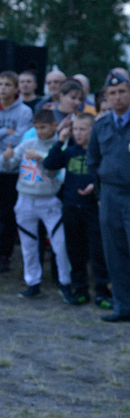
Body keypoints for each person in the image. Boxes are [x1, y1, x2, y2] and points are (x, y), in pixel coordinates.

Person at [0, 109, 72, 300]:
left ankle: (65, 283)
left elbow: (53, 173)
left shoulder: (59, 146)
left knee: (60, 244)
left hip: (49, 200)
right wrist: (5, 157)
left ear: (54, 126)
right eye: (37, 127)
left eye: (44, 127)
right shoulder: (28, 143)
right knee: (28, 245)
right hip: (24, 200)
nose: (40, 131)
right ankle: (32, 283)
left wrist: (39, 159)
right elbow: (7, 166)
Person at [43, 113, 112, 307]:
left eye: (83, 129)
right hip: (71, 207)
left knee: (97, 251)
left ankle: (102, 292)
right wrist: (60, 140)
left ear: (92, 131)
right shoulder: (70, 151)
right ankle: (80, 289)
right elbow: (49, 163)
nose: (78, 133)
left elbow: (106, 175)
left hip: (92, 208)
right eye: (75, 129)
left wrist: (94, 186)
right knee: (75, 250)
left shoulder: (98, 152)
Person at [87, 69, 130, 322]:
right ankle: (123, 307)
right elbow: (92, 161)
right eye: (112, 93)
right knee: (115, 253)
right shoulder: (101, 125)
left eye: (122, 91)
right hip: (110, 196)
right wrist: (100, 194)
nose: (117, 97)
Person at [0, 70, 34, 272]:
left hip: (12, 171)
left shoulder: (25, 112)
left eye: (8, 84)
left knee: (9, 214)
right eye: (0, 84)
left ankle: (5, 255)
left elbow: (20, 138)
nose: (3, 88)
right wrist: (4, 132)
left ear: (16, 88)